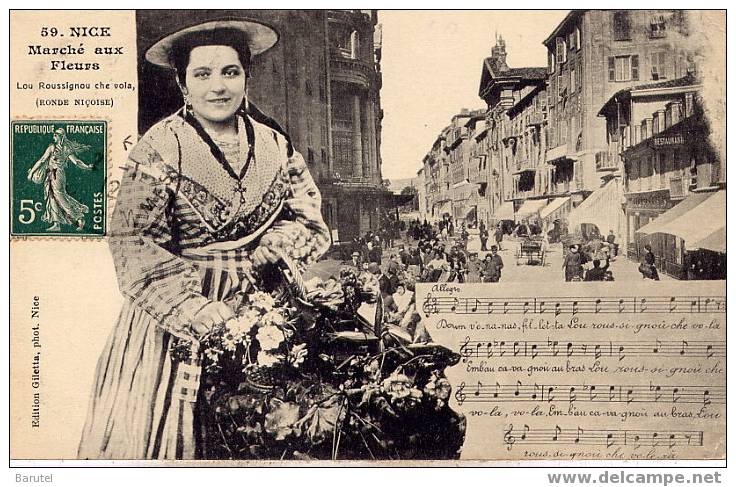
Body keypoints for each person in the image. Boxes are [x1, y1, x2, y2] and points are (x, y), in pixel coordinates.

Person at [78, 20, 330, 460]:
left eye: (230, 73)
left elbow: (308, 218)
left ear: (246, 77)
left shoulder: (275, 145)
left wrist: (278, 242)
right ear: (183, 83)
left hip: (262, 304)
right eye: (203, 74)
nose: (218, 87)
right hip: (179, 318)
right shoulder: (159, 146)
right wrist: (194, 308)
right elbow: (133, 238)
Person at [27, 127, 95, 231]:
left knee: (60, 196)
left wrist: (86, 166)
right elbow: (42, 160)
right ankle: (56, 224)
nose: (53, 136)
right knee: (52, 197)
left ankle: (79, 217)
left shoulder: (60, 148)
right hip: (51, 175)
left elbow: (76, 161)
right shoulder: (58, 147)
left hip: (57, 175)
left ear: (60, 137)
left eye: (55, 135)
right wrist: (86, 166)